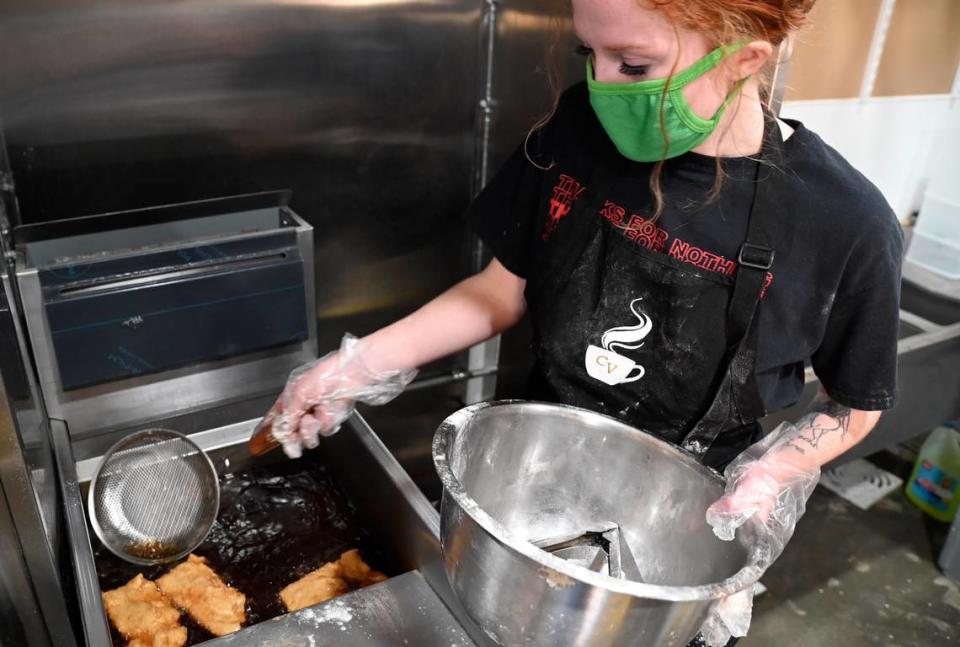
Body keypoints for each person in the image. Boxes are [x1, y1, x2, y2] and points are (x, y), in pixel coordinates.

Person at [259, 0, 904, 644]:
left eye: (632, 64)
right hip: (525, 492)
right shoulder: (576, 131)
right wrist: (358, 364)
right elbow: (498, 292)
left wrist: (768, 479)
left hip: (678, 540)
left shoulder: (844, 225)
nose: (601, 87)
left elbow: (855, 403)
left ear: (743, 59)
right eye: (587, 55)